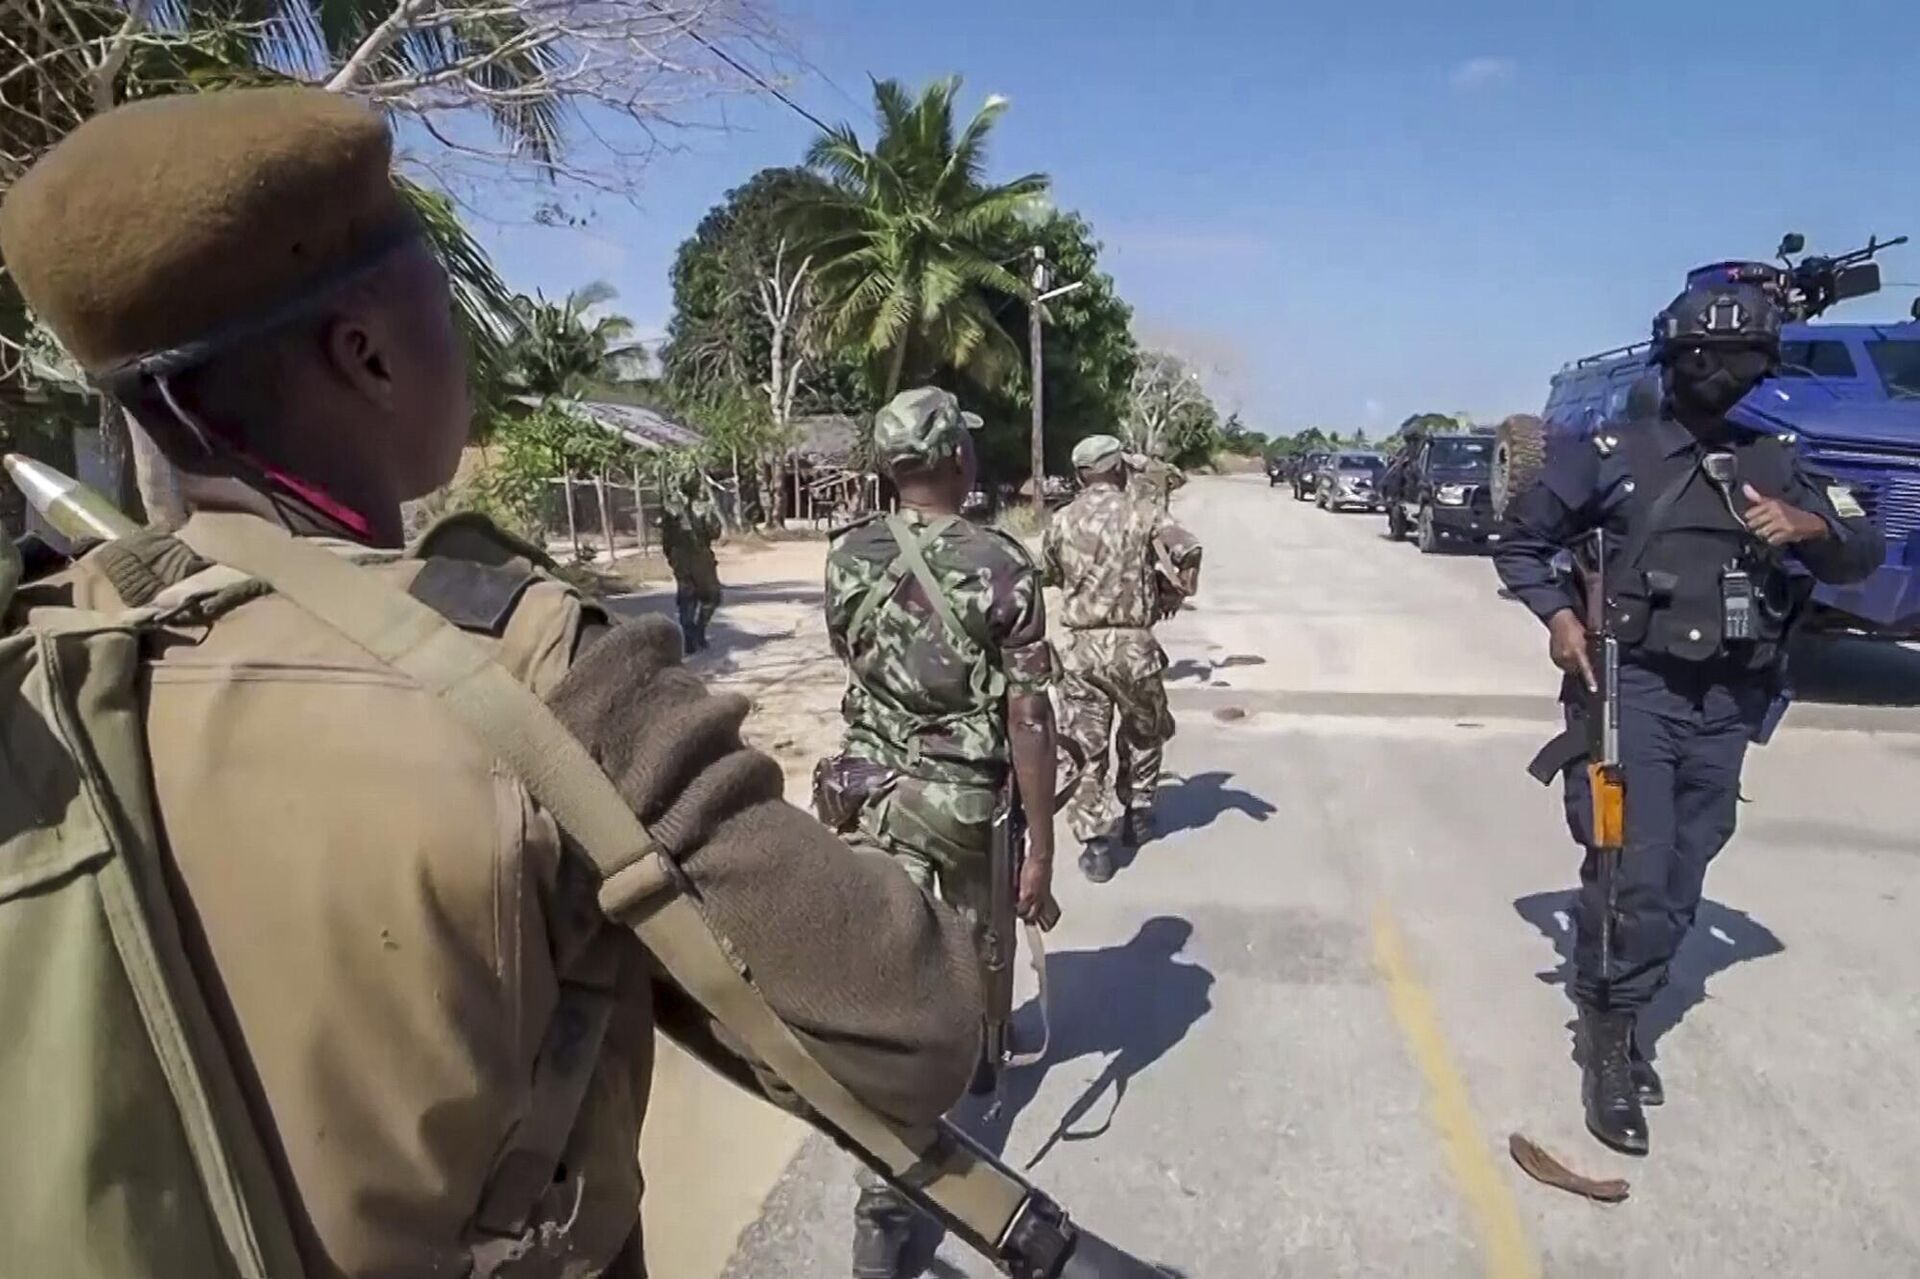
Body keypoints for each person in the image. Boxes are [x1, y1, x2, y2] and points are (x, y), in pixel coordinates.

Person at [0, 86, 986, 1276]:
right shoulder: (537, 673)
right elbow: (916, 1024)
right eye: (445, 305)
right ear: (365, 352)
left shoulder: (45, 661)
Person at [1493, 267, 1882, 1156]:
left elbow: (1864, 547)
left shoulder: (1778, 460)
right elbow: (1521, 542)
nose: (1722, 372)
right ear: (1676, 357)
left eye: (1739, 356)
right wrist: (1558, 618)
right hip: (1636, 694)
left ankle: (1626, 1006)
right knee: (1631, 864)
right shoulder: (1609, 454)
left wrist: (1809, 526)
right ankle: (1609, 1037)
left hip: (1729, 699)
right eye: (1708, 355)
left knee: (1686, 869)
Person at [817, 386, 1060, 1279]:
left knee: (886, 981)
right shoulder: (1001, 563)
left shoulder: (847, 556)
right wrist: (1040, 844)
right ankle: (893, 1193)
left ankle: (885, 1183)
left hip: (859, 793)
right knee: (962, 966)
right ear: (956, 457)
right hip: (959, 802)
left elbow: (857, 663)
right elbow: (1029, 716)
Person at [1044, 434, 1202, 884]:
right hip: (1133, 648)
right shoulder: (1144, 513)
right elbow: (1187, 547)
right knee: (1144, 732)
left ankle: (1095, 845)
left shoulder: (1061, 520)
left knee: (1084, 745)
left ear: (1079, 475)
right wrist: (1178, 589)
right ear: (1118, 470)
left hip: (1081, 651)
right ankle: (1137, 814)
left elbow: (1051, 573)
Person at [659, 464, 724, 653]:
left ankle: (690, 635)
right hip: (700, 558)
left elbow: (666, 538)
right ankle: (698, 632)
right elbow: (714, 532)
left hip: (681, 559)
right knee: (712, 597)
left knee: (687, 599)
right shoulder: (703, 507)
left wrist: (672, 558)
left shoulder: (670, 507)